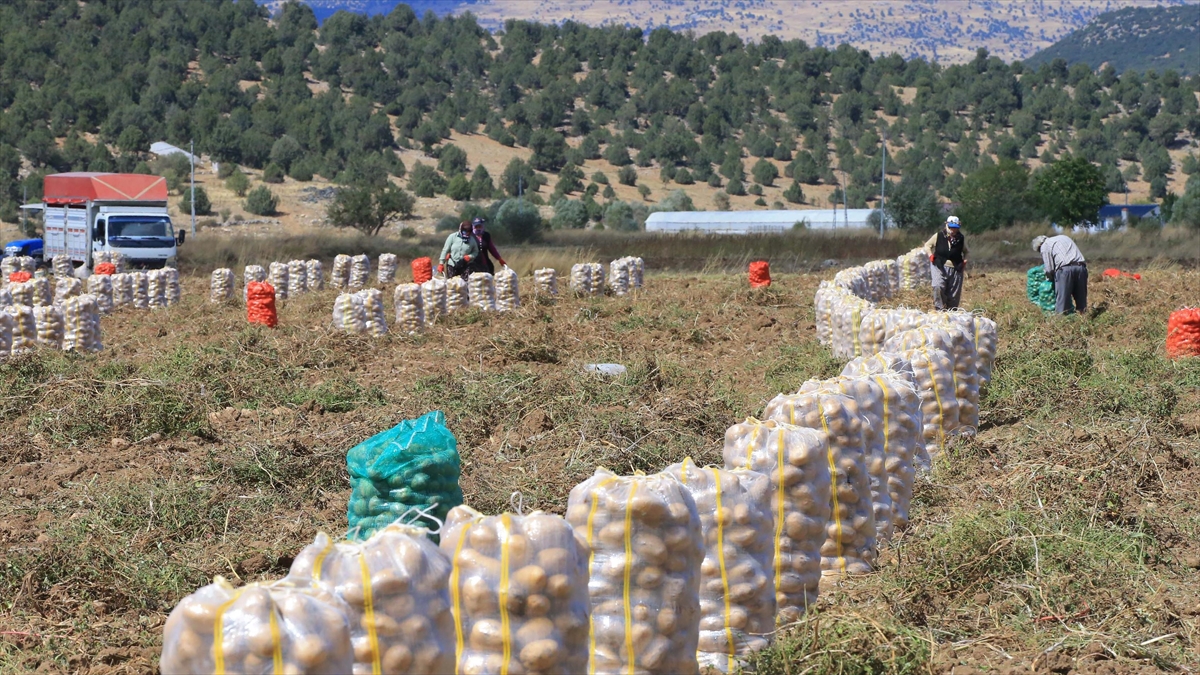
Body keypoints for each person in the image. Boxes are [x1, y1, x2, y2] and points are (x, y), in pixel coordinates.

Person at [1032, 234, 1088, 315]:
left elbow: (1049, 269)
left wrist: (1050, 280)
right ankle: (1084, 317)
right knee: (1081, 297)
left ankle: (1060, 322)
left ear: (1039, 245)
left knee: (1062, 299)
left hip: (1065, 270)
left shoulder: (1044, 246)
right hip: (1081, 267)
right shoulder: (1064, 237)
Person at [923, 216, 969, 310]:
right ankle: (940, 309)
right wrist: (930, 255)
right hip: (939, 266)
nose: (953, 230)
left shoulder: (961, 238)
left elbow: (967, 251)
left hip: (956, 268)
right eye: (951, 227)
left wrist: (965, 261)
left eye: (955, 228)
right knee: (938, 286)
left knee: (953, 295)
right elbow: (927, 245)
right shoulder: (939, 235)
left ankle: (951, 312)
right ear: (947, 225)